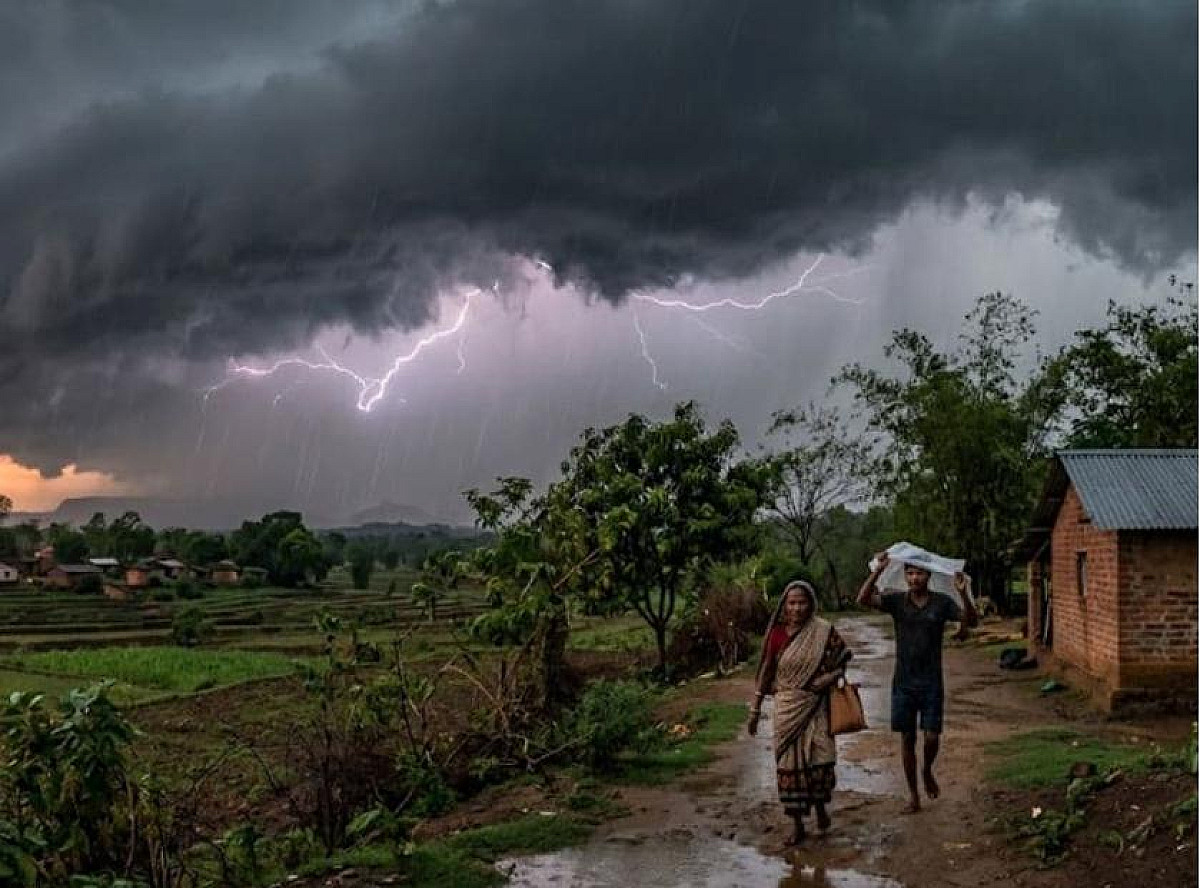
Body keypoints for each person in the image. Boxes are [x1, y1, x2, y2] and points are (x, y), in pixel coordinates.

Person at [857, 551, 978, 814]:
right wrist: (877, 570)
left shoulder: (942, 603)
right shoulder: (897, 602)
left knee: (932, 737)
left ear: (928, 576)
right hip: (903, 682)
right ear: (905, 576)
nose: (914, 578)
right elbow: (863, 599)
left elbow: (972, 621)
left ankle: (926, 770)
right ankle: (913, 795)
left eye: (919, 573)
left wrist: (964, 593)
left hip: (931, 682)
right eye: (910, 573)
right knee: (907, 738)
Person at [748, 580, 852, 845]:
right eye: (792, 602)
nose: (797, 608)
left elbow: (841, 663)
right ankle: (796, 825)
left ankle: (820, 811)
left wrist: (827, 680)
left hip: (817, 706)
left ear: (811, 604)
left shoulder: (823, 631)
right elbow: (766, 671)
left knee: (819, 762)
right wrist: (755, 709)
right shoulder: (777, 634)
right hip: (787, 708)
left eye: (802, 602)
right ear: (784, 605)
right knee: (788, 766)